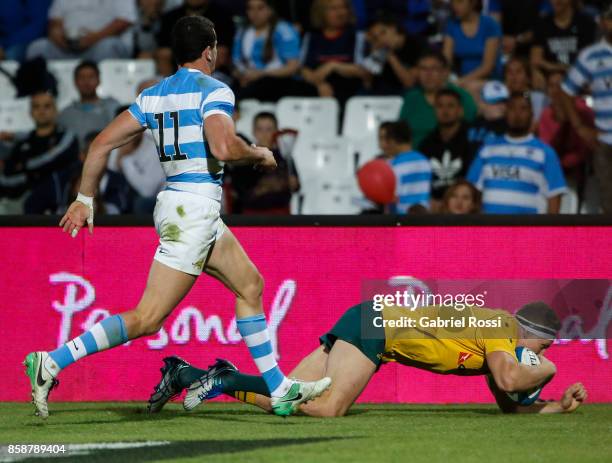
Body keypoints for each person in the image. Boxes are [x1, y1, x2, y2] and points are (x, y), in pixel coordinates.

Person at [24, 16, 331, 420]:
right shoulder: (215, 90)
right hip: (194, 209)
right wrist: (257, 152)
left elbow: (100, 144)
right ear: (210, 50)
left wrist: (85, 198)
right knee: (148, 318)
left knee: (250, 285)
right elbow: (222, 147)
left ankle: (279, 389)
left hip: (179, 203)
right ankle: (52, 361)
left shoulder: (153, 95)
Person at [151, 300, 587, 417]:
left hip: (372, 320)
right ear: (533, 333)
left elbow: (508, 400)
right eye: (544, 349)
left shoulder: (499, 341)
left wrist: (557, 406)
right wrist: (549, 370)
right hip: (376, 328)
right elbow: (513, 382)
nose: (540, 359)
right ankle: (223, 380)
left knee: (283, 400)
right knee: (326, 409)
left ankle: (195, 375)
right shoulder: (503, 329)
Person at [467, 93, 567, 214]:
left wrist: (550, 231)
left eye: (523, 108)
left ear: (532, 114)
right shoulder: (487, 149)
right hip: (490, 230)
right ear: (506, 113)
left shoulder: (546, 153)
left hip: (528, 230)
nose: (517, 113)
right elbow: (471, 189)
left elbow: (554, 195)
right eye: (512, 108)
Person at [561, 4, 612, 214]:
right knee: (610, 203)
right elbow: (566, 91)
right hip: (605, 141)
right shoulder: (591, 56)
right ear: (603, 23)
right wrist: (580, 127)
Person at [0, 91, 79, 214]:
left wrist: (25, 166)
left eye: (47, 106)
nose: (41, 111)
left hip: (60, 207)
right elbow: (9, 174)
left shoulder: (66, 137)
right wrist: (29, 174)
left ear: (56, 110)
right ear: (30, 112)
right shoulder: (22, 143)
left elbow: (55, 160)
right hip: (23, 204)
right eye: (36, 106)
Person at [26, 131, 135, 214]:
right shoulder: (63, 178)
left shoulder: (119, 181)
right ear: (82, 156)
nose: (99, 160)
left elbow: (124, 214)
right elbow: (31, 204)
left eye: (104, 154)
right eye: (93, 155)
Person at [233, 0, 309, 101]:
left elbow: (293, 67)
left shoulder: (283, 30)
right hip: (250, 81)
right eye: (250, 8)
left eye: (260, 8)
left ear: (270, 10)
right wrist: (241, 76)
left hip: (279, 82)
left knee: (265, 83)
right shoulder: (242, 32)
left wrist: (262, 73)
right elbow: (236, 64)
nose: (255, 13)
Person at [399, 50, 477, 148]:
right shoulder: (411, 98)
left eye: (434, 69)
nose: (428, 74)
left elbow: (472, 131)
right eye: (423, 69)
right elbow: (401, 136)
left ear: (445, 72)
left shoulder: (461, 97)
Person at [226, 112, 299, 214]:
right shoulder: (246, 158)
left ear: (276, 131)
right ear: (254, 131)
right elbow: (239, 190)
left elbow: (296, 187)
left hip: (281, 215)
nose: (264, 134)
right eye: (260, 129)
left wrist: (294, 184)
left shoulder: (284, 157)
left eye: (269, 129)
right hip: (252, 215)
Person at [419, 88, 479, 210]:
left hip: (464, 210)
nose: (445, 111)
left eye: (450, 106)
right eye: (440, 106)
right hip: (434, 209)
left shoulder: (472, 140)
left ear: (460, 110)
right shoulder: (426, 144)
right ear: (434, 110)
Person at [301, 0, 369, 106]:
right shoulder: (311, 37)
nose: (341, 13)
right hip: (317, 92)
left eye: (343, 8)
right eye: (333, 9)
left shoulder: (357, 36)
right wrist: (319, 84)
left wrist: (333, 66)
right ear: (321, 12)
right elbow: (303, 69)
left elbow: (364, 70)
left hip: (350, 92)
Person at [539, 71, 594, 199]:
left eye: (559, 85)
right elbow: (547, 151)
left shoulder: (584, 111)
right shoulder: (546, 114)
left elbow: (587, 147)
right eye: (551, 86)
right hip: (557, 172)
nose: (556, 91)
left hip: (584, 171)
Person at [26, 0, 137, 61]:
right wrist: (58, 36)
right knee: (37, 48)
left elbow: (125, 20)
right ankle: (42, 98)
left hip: (99, 44)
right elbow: (55, 20)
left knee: (108, 47)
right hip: (67, 46)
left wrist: (95, 38)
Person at [531, 0, 597, 88]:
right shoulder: (542, 24)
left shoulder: (585, 23)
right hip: (550, 80)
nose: (556, 1)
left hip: (579, 77)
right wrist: (562, 68)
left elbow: (588, 61)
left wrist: (551, 66)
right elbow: (536, 60)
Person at [58, 61, 121, 149]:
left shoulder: (113, 107)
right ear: (75, 82)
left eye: (91, 77)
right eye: (82, 77)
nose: (86, 82)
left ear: (99, 80)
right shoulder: (65, 114)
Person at [443, 0, 503, 85]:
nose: (455, 6)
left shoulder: (490, 25)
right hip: (461, 79)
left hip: (489, 80)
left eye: (459, 2)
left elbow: (488, 66)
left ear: (473, 2)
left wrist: (461, 81)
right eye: (453, 2)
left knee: (472, 87)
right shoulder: (452, 25)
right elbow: (446, 60)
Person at [362, 14, 425, 95]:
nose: (381, 39)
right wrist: (374, 55)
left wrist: (391, 57)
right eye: (376, 37)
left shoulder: (417, 44)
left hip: (409, 95)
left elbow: (409, 83)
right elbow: (367, 83)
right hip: (383, 95)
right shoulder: (379, 50)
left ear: (394, 28)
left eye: (383, 33)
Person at [384, 121, 432, 214]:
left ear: (392, 141)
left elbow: (392, 198)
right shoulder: (425, 161)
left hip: (401, 219)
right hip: (424, 217)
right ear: (410, 138)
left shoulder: (392, 165)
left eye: (388, 142)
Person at [504, 56, 547, 124]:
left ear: (527, 77)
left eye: (518, 72)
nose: (514, 76)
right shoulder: (501, 100)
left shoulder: (539, 99)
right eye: (509, 72)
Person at [467, 80, 508, 147]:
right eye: (495, 102)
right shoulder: (471, 124)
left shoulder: (511, 127)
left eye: (504, 102)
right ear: (482, 103)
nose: (502, 106)